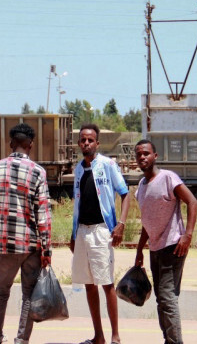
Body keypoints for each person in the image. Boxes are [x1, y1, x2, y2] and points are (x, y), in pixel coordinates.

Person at [0, 123, 52, 344]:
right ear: (30, 144)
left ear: (11, 143)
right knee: (28, 295)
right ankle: (21, 340)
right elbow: (44, 213)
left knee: (1, 292)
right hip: (31, 245)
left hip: (6, 244)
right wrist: (46, 247)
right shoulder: (38, 172)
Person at [133, 139, 197, 344]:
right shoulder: (141, 188)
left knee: (167, 297)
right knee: (161, 299)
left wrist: (187, 235)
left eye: (146, 153)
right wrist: (139, 249)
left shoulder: (168, 178)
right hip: (154, 248)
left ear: (155, 156)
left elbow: (193, 202)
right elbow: (147, 221)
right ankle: (169, 340)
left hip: (173, 245)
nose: (142, 157)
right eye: (139, 155)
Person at [70, 123, 130, 344]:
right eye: (83, 140)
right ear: (79, 143)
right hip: (83, 231)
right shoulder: (78, 169)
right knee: (88, 283)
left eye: (90, 140)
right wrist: (73, 234)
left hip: (101, 231)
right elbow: (77, 204)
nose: (86, 143)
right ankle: (99, 336)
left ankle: (115, 335)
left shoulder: (107, 165)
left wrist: (121, 224)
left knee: (106, 283)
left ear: (97, 143)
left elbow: (125, 194)